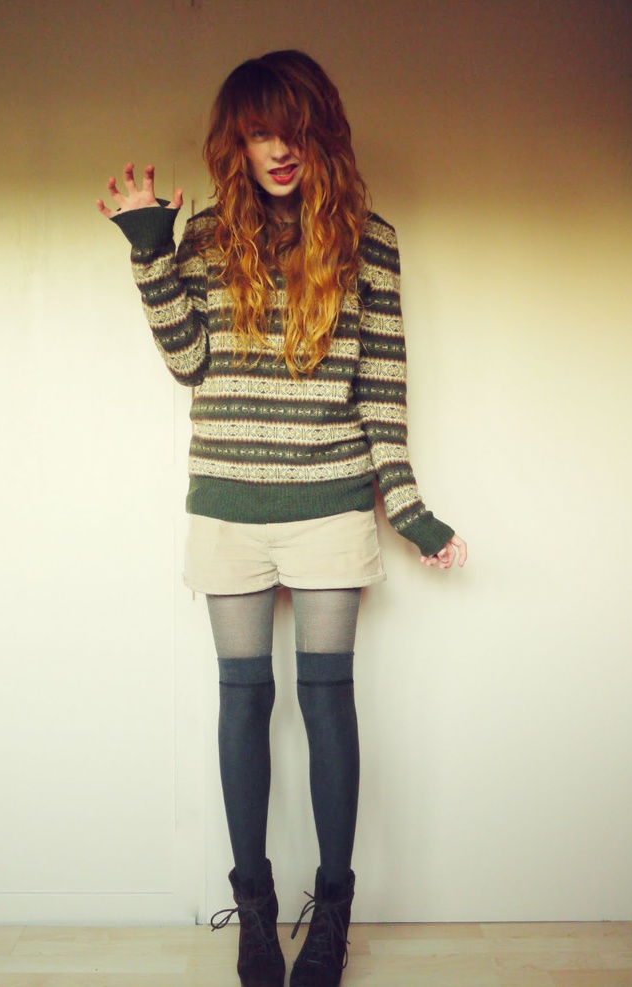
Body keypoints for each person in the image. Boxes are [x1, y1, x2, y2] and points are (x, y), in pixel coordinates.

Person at [97, 49, 466, 987]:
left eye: (293, 128)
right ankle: (255, 914)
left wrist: (409, 508)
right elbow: (189, 362)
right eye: (260, 131)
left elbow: (382, 389)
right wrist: (150, 251)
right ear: (238, 143)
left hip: (331, 501)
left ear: (319, 132)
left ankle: (333, 913)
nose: (278, 147)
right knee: (244, 698)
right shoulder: (205, 238)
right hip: (229, 504)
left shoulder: (369, 242)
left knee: (327, 697)